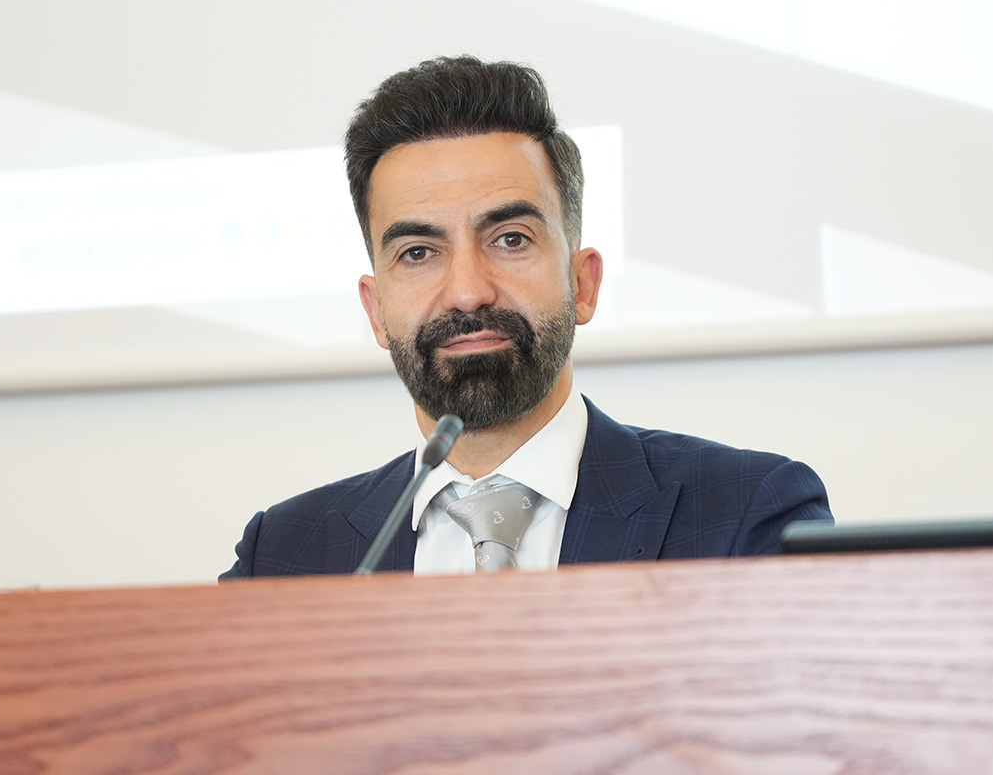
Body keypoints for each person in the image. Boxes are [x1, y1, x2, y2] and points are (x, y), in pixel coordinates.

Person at [220, 56, 830, 578]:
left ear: (583, 283)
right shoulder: (282, 555)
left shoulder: (745, 512)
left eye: (510, 239)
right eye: (418, 253)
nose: (467, 293)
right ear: (375, 311)